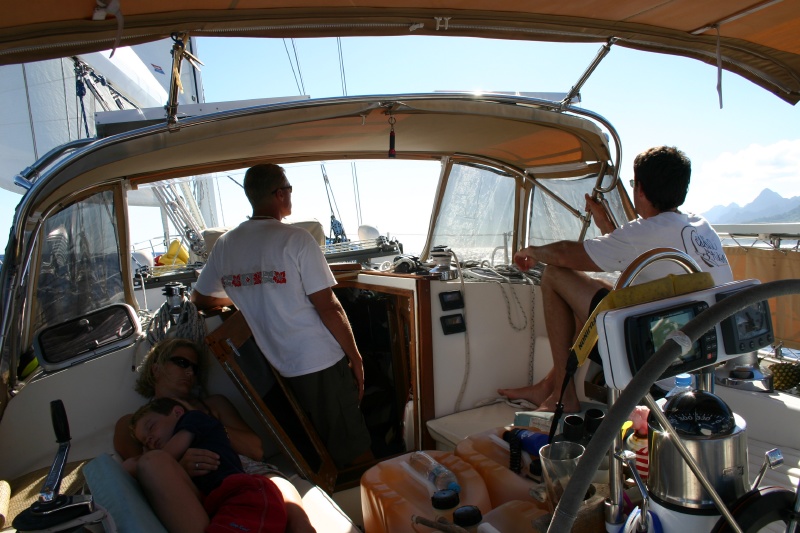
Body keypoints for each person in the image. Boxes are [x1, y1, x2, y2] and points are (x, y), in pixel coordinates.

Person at [498, 146, 733, 413]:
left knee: (554, 275)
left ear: (640, 190)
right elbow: (639, 249)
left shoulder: (644, 233)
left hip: (654, 364)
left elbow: (565, 255)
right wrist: (607, 226)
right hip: (697, 359)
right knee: (599, 294)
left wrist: (532, 252)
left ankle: (565, 397)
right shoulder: (701, 226)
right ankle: (548, 387)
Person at [191, 163, 372, 469]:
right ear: (278, 194)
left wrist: (247, 299)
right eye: (288, 189)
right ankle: (371, 503)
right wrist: (355, 356)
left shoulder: (225, 245)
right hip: (320, 361)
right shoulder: (296, 239)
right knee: (354, 450)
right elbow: (328, 305)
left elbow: (202, 298)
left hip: (280, 367)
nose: (290, 195)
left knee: (316, 446)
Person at [113, 338, 315, 532]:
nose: (190, 372)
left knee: (299, 524)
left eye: (195, 368)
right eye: (182, 363)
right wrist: (179, 467)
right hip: (187, 487)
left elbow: (255, 450)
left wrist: (204, 423)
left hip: (250, 473)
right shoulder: (132, 424)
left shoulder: (214, 405)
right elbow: (133, 480)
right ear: (155, 368)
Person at [126, 397, 287, 533]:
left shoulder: (193, 420)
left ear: (177, 412)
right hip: (221, 501)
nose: (151, 439)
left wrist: (136, 461)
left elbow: (166, 455)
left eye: (151, 427)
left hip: (242, 492)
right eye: (146, 441)